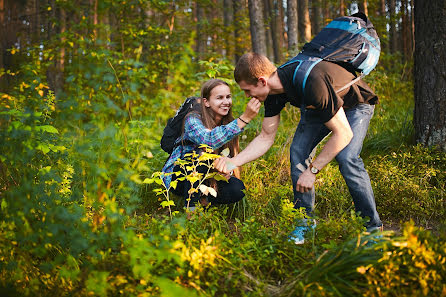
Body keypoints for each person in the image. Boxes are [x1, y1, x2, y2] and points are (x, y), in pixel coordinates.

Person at [214, 52, 383, 243]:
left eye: (247, 90)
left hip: (354, 105)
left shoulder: (310, 80)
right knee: (298, 152)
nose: (246, 96)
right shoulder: (272, 93)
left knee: (347, 157)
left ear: (262, 81)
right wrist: (232, 162)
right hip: (319, 107)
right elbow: (266, 137)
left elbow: (343, 134)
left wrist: (312, 171)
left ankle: (372, 228)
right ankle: (304, 222)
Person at [162, 78, 261, 211]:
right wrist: (244, 119)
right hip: (179, 177)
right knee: (202, 156)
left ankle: (205, 203)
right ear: (206, 102)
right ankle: (191, 211)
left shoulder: (229, 123)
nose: (226, 102)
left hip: (209, 176)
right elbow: (208, 140)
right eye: (219, 98)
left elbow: (230, 157)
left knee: (237, 188)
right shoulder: (193, 119)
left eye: (228, 97)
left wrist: (227, 171)